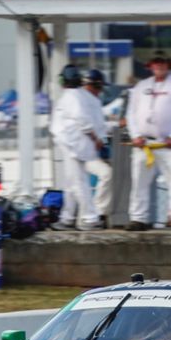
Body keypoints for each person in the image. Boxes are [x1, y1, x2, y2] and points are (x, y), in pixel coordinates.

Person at [126, 53, 171, 231]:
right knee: (139, 182)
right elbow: (131, 112)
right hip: (144, 144)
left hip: (166, 144)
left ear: (169, 65)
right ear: (150, 66)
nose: (159, 66)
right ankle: (138, 218)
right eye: (156, 63)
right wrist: (135, 135)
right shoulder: (141, 86)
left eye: (162, 63)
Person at [49, 65, 111, 230]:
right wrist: (98, 139)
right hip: (74, 145)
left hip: (74, 145)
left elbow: (83, 120)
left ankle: (90, 218)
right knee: (71, 183)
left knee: (78, 182)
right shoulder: (81, 96)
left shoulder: (72, 96)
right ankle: (67, 217)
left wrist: (95, 138)